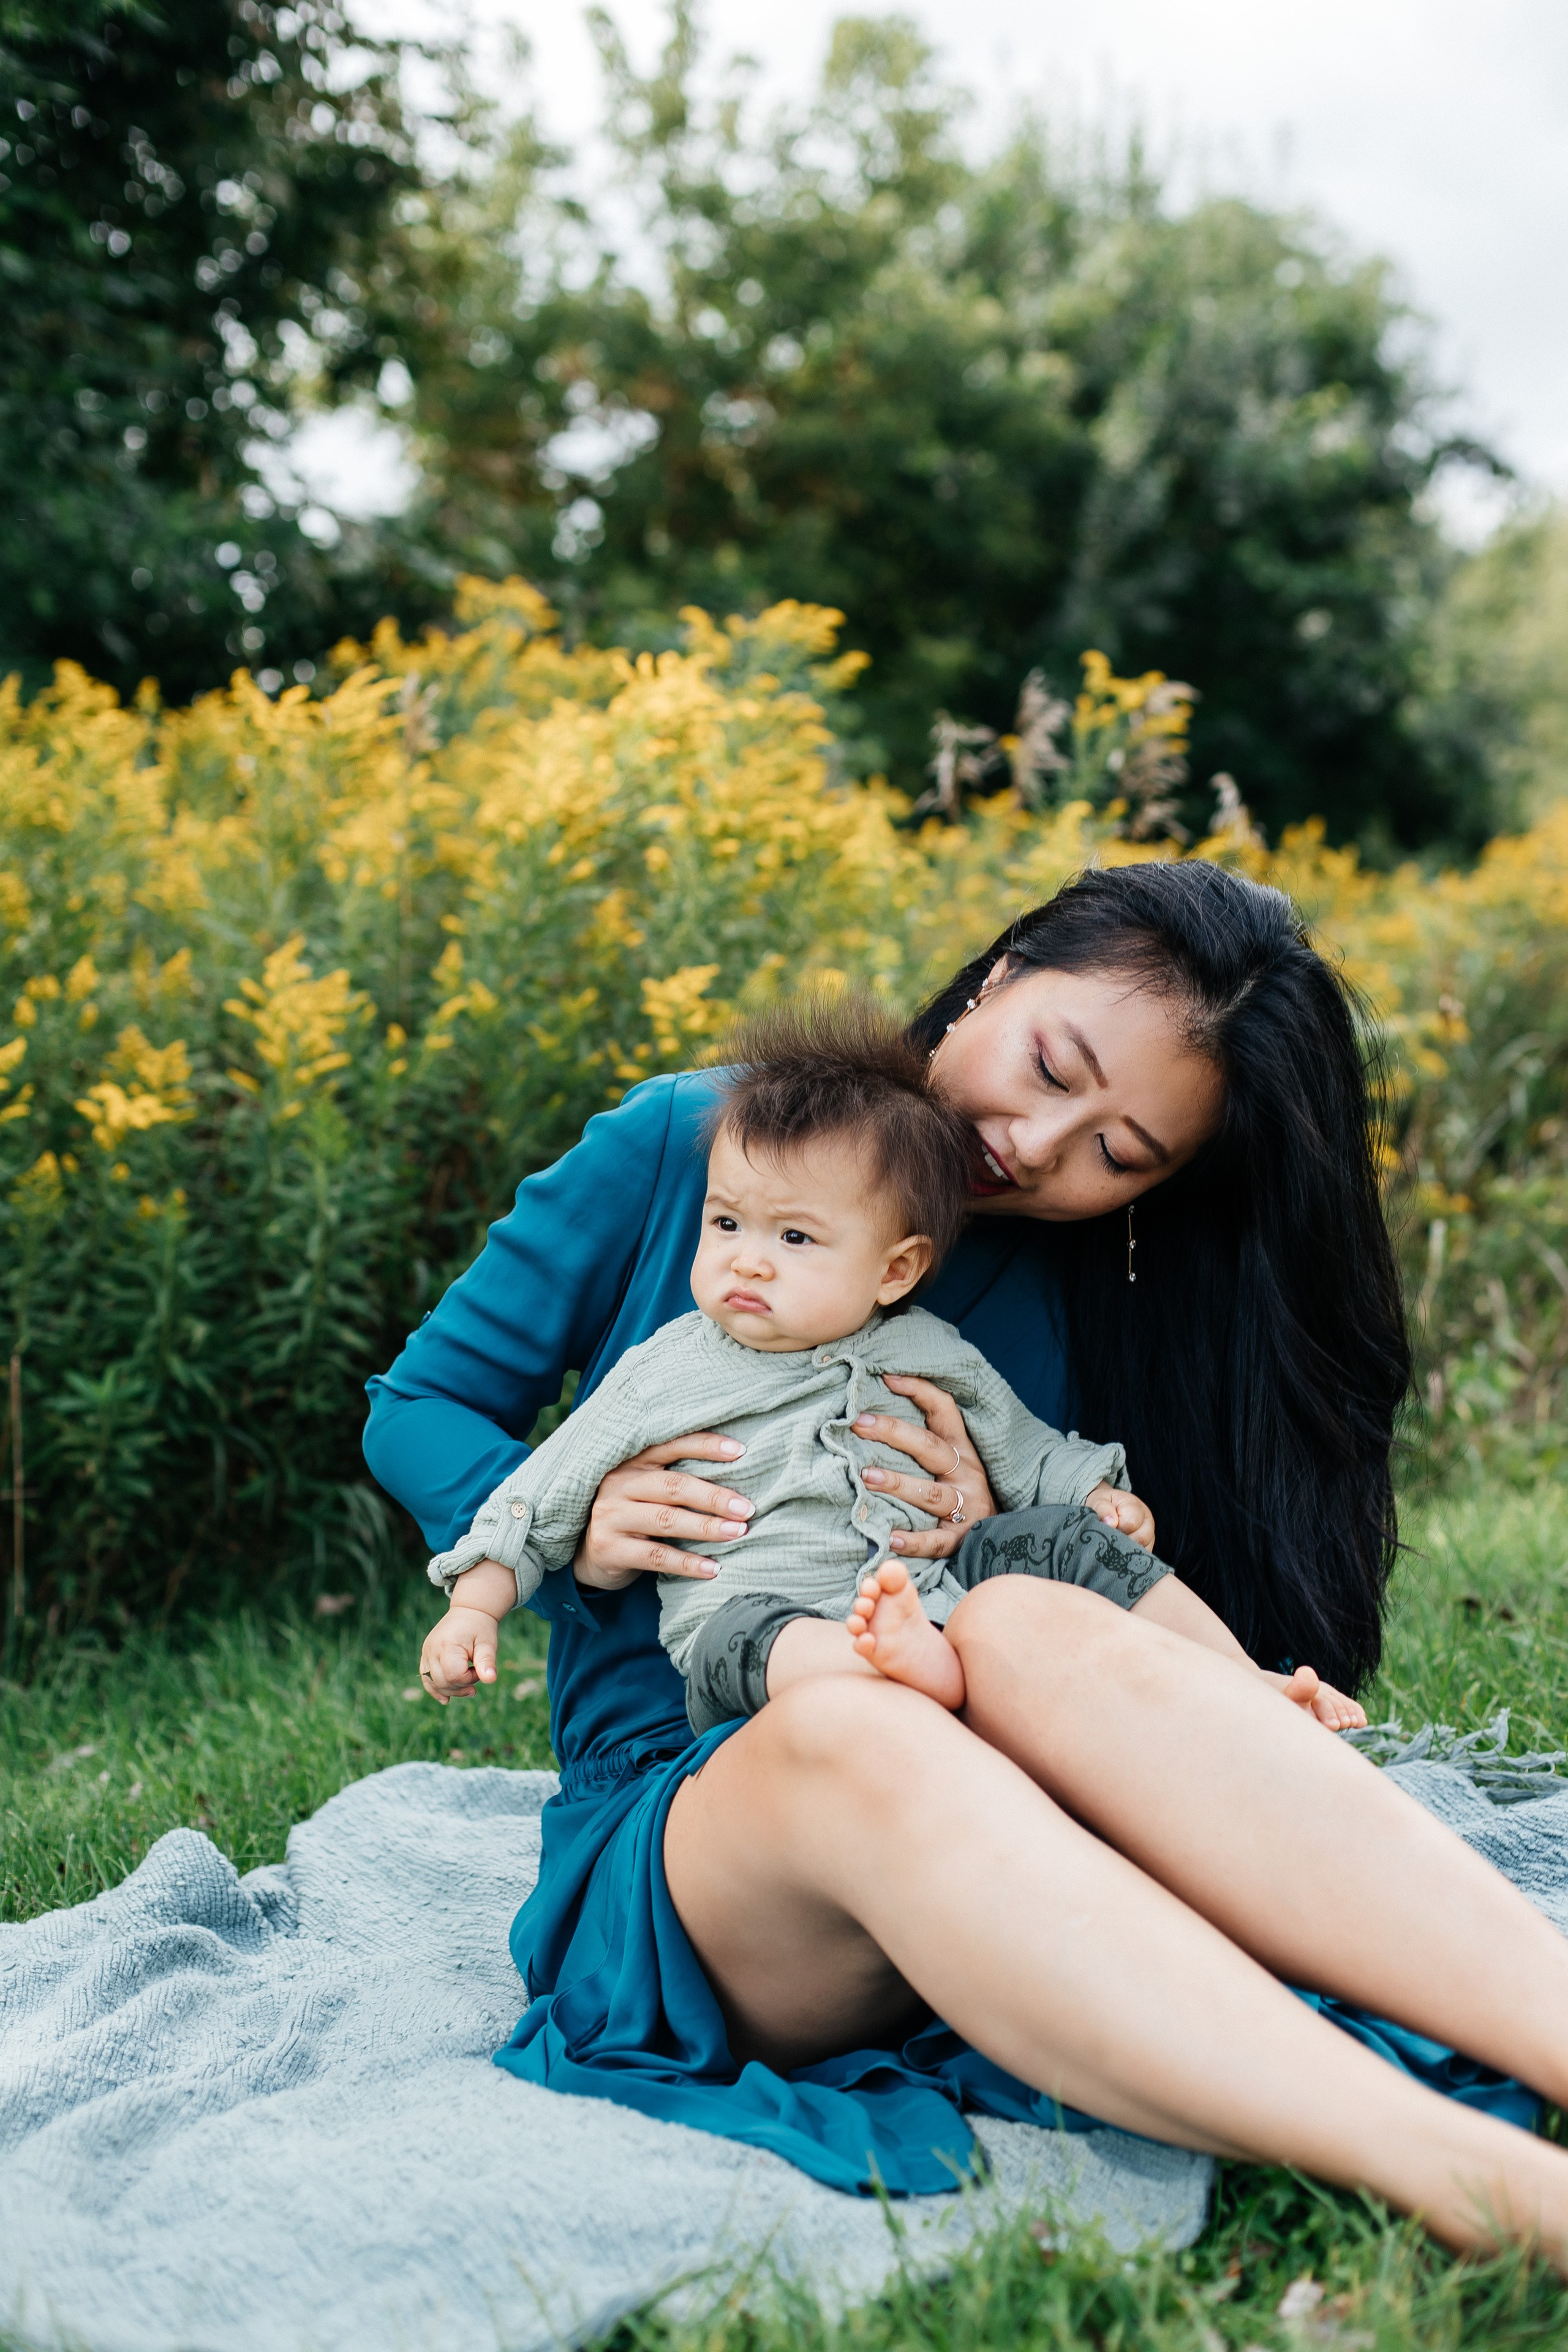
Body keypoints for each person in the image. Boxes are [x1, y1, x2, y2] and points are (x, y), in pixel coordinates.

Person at [366, 861, 1568, 2258]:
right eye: (1049, 1064)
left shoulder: (1072, 1280)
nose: (1042, 1144)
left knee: (1023, 1625)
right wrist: (581, 1522)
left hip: (988, 1798)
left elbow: (1080, 1575)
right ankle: (1475, 2184)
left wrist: (1055, 1570)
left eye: (1118, 1157)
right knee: (850, 1724)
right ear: (996, 974)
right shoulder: (698, 1141)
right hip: (708, 1839)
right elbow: (421, 1403)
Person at [418, 1000, 1360, 1732]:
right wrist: (496, 1594)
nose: (748, 1259)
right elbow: (531, 1496)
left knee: (1072, 1546)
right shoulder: (669, 1365)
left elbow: (1028, 1448)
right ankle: (904, 1680)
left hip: (949, 1608)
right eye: (725, 1224)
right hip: (753, 1636)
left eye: (793, 1237)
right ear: (1000, 979)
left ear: (896, 1269)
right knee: (761, 1641)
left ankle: (1247, 1691)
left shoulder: (929, 1348)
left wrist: (1092, 1499)